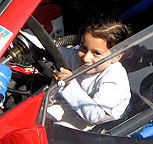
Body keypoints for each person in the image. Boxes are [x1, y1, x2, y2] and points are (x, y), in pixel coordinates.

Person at [48, 13, 134, 131]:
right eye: (83, 47)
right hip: (75, 108)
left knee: (55, 131)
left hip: (98, 125)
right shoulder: (78, 58)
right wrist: (28, 41)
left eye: (97, 53)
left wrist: (68, 84)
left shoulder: (115, 77)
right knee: (38, 115)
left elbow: (95, 115)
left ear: (116, 56)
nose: (86, 58)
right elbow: (54, 51)